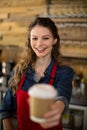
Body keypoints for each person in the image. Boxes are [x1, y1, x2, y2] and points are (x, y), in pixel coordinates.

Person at [0, 17, 74, 130]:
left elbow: (62, 98)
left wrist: (57, 109)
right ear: (29, 41)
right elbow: (5, 111)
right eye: (34, 38)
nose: (39, 43)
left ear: (55, 40)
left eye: (45, 38)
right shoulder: (19, 71)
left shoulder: (64, 72)